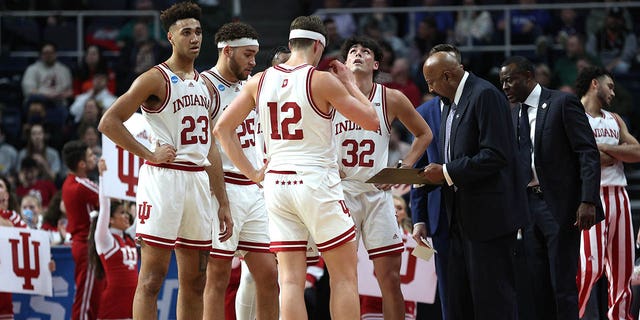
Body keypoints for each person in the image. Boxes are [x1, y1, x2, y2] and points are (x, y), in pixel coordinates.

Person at [213, 15, 379, 320]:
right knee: (344, 276)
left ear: (291, 44)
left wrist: (253, 173)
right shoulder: (321, 79)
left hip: (276, 185)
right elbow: (371, 120)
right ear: (318, 46)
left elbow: (222, 129)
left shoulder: (258, 80)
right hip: (315, 182)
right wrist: (350, 84)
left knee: (289, 280)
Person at [98, 3, 232, 319]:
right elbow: (109, 121)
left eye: (198, 31)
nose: (195, 38)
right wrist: (148, 153)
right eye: (186, 32)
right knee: (152, 279)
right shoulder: (154, 78)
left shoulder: (208, 86)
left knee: (196, 281)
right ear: (171, 37)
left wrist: (222, 201)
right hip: (164, 180)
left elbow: (210, 146)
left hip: (198, 182)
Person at [420, 45, 527, 320]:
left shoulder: (485, 95)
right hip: (459, 216)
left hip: (489, 220)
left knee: (494, 302)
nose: (430, 90)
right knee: (462, 302)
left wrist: (446, 172)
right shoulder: (449, 103)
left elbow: (496, 154)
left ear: (448, 76)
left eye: (431, 82)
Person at [334, 35, 432, 319]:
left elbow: (424, 134)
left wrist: (402, 168)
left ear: (375, 63)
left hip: (377, 194)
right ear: (344, 62)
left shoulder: (390, 97)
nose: (358, 54)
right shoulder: (330, 93)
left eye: (365, 51)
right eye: (352, 51)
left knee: (389, 278)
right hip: (342, 193)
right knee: (343, 279)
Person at [499, 55, 603, 320]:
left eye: (509, 80)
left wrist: (588, 200)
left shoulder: (561, 102)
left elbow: (587, 152)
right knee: (537, 287)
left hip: (560, 206)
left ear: (528, 76)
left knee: (563, 285)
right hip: (528, 207)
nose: (505, 87)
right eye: (502, 82)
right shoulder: (512, 114)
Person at [200, 21, 278, 320]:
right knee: (217, 276)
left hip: (254, 190)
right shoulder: (205, 86)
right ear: (228, 50)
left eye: (256, 55)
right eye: (247, 54)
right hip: (224, 188)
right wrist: (220, 198)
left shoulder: (251, 87)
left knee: (268, 276)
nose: (253, 61)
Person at [575, 66, 640, 320]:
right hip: (592, 197)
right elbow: (584, 159)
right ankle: (574, 314)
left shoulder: (614, 118)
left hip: (620, 196)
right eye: (609, 86)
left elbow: (637, 153)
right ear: (594, 84)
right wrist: (616, 150)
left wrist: (602, 147)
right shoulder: (575, 115)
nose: (613, 92)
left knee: (623, 273)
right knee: (589, 268)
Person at [411, 44, 462, 320]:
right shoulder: (424, 111)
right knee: (449, 292)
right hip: (439, 211)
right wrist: (418, 218)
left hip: (476, 207)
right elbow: (418, 172)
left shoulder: (478, 101)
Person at [87, 159, 138, 320]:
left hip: (133, 301)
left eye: (126, 212)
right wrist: (103, 177)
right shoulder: (105, 239)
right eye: (122, 213)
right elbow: (105, 206)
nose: (126, 216)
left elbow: (141, 211)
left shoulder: (129, 237)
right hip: (114, 303)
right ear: (111, 219)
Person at [61, 140, 104, 320]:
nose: (95, 157)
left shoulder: (68, 182)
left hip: (84, 245)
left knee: (93, 298)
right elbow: (108, 197)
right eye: (90, 155)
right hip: (87, 246)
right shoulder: (81, 185)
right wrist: (104, 174)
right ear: (82, 164)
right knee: (86, 300)